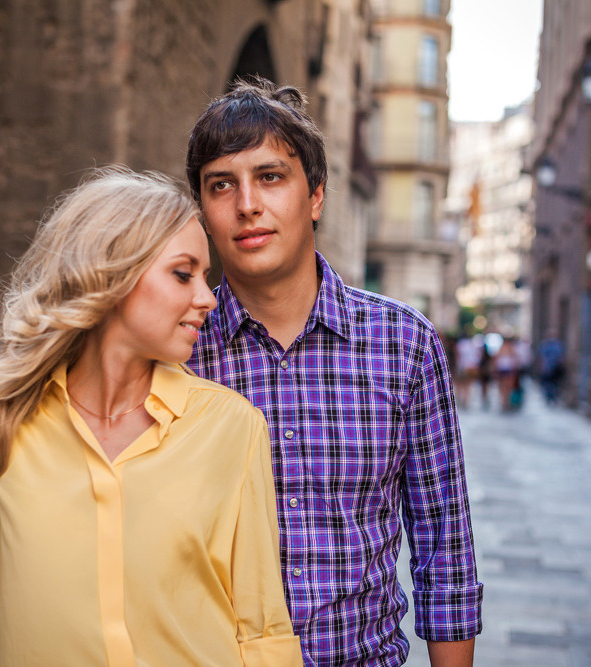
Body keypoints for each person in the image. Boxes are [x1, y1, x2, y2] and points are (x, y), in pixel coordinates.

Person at [0, 167, 303, 666]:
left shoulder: (231, 427)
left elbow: (262, 631)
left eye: (206, 277)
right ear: (110, 274)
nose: (207, 298)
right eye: (183, 274)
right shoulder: (3, 426)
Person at [185, 78, 482, 666]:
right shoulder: (179, 349)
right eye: (222, 184)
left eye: (271, 177)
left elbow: (444, 549)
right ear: (203, 213)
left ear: (316, 196)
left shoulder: (404, 345)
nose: (247, 204)